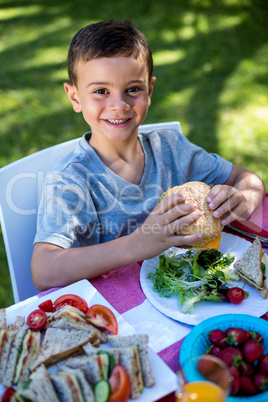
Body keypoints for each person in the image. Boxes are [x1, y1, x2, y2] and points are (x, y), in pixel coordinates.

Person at [31, 19, 266, 291]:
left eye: (133, 89)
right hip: (121, 311)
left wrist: (243, 200)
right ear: (74, 98)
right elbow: (43, 271)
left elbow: (246, 177)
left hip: (184, 290)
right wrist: (137, 244)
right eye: (100, 91)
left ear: (150, 90)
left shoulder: (170, 148)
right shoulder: (71, 178)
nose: (119, 105)